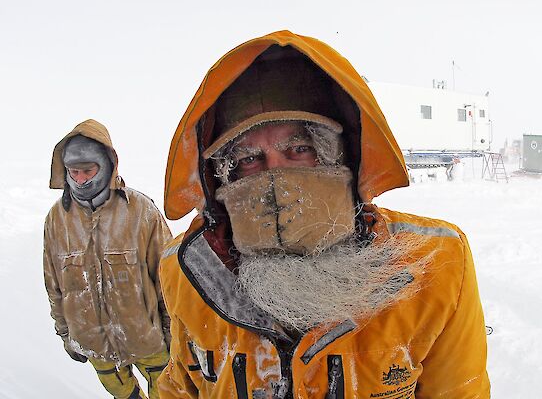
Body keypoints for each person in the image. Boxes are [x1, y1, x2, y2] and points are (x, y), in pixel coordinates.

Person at [157, 31, 490, 398]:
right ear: (221, 177)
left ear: (344, 155)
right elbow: (181, 385)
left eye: (300, 148)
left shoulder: (434, 264)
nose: (275, 180)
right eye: (248, 159)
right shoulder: (187, 269)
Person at [43, 119, 173, 399]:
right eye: (73, 172)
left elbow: (168, 281)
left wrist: (175, 334)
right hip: (95, 345)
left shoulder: (141, 212)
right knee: (124, 395)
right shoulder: (56, 220)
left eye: (87, 170)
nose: (80, 179)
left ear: (107, 165)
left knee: (170, 394)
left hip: (148, 340)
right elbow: (54, 284)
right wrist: (66, 334)